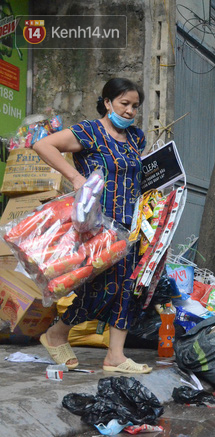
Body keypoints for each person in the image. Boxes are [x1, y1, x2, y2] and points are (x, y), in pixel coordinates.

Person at [32, 78, 152, 373]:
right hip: (98, 224)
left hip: (131, 225)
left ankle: (116, 356)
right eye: (124, 103)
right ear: (108, 102)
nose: (129, 111)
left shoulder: (136, 138)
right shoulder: (89, 131)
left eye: (135, 106)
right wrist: (74, 177)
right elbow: (42, 145)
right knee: (102, 288)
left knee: (128, 287)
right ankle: (57, 333)